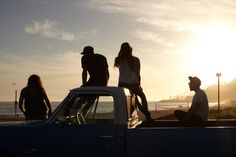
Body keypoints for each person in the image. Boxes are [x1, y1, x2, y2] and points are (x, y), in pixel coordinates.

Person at [114, 42, 152, 121]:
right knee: (141, 97)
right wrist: (139, 84)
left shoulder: (118, 59)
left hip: (123, 84)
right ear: (130, 49)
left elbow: (117, 65)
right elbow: (138, 73)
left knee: (135, 102)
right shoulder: (136, 59)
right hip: (134, 83)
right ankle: (147, 115)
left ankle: (146, 115)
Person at [78, 46, 109, 115]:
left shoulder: (85, 58)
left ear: (88, 53)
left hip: (97, 81)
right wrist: (105, 83)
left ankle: (77, 110)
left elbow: (85, 72)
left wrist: (84, 84)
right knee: (92, 97)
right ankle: (83, 112)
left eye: (85, 53)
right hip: (100, 81)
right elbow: (107, 73)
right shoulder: (102, 57)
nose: (84, 55)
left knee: (82, 96)